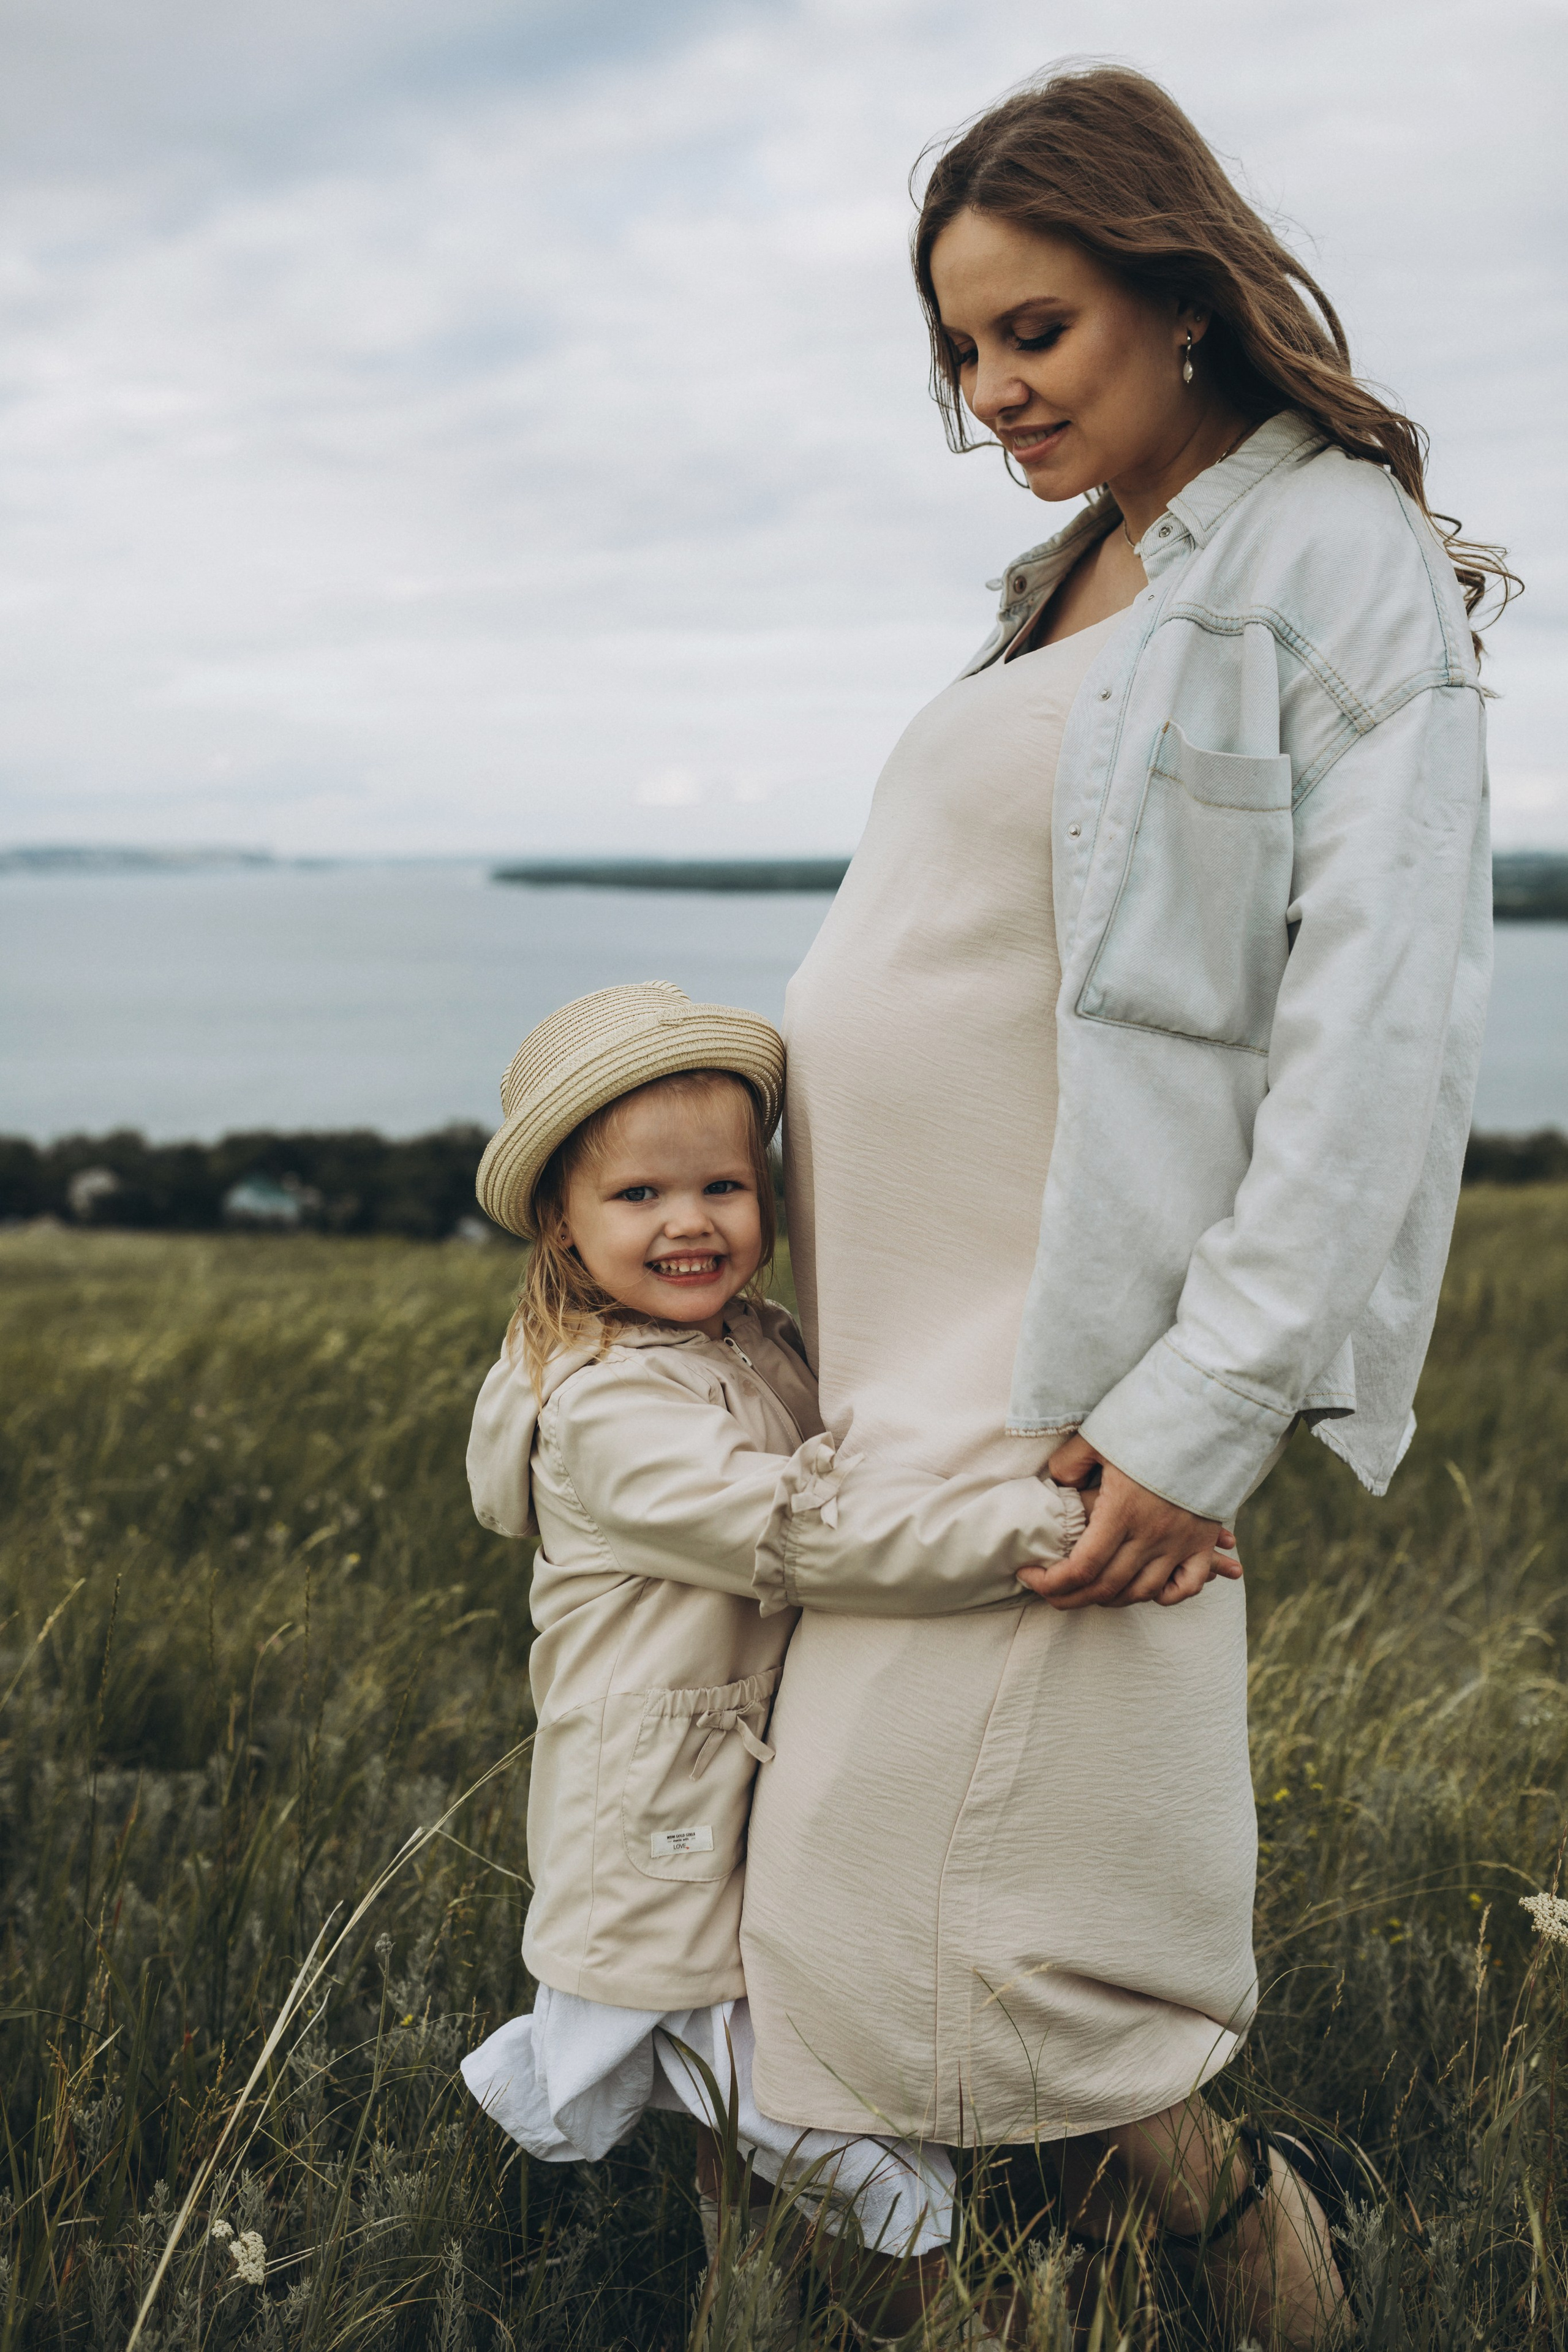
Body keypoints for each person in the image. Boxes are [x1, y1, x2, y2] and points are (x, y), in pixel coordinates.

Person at [738, 63, 1509, 2348]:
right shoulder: (1059, 570)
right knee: (888, 1958)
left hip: (1066, 1375)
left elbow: (1383, 1029)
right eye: (960, 352)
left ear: (1179, 293)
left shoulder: (1331, 552)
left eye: (1035, 333)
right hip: (893, 1357)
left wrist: (1209, 1401)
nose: (991, 395)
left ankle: (1249, 2266)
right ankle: (1197, 2263)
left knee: (946, 1969)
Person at [456, 980, 1096, 2274]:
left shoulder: (754, 1336)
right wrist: (1041, 1528)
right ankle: (780, 2169)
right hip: (657, 1783)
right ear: (562, 1230)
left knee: (757, 1987)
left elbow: (860, 1466)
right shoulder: (605, 1415)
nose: (688, 1224)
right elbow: (811, 1535)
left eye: (722, 1189)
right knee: (689, 2001)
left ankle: (760, 2238)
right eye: (638, 1197)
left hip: (743, 1755)